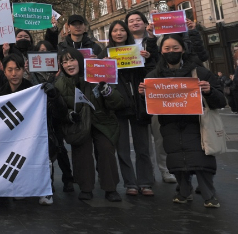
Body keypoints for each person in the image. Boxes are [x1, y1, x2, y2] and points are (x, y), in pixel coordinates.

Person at [138, 34, 226, 208]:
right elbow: (147, 109)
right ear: (161, 52)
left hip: (197, 125)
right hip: (170, 126)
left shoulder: (200, 72)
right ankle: (184, 191)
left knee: (202, 160)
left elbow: (221, 100)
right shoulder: (153, 76)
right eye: (167, 49)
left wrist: (209, 91)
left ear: (183, 50)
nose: (171, 52)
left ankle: (209, 194)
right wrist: (143, 95)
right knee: (176, 160)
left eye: (175, 48)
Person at [55, 48, 124, 202]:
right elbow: (60, 108)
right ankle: (85, 188)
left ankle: (110, 188)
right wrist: (69, 115)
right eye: (64, 62)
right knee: (82, 152)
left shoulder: (97, 74)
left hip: (102, 121)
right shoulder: (60, 83)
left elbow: (118, 101)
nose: (68, 64)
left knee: (106, 150)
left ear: (79, 61)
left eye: (71, 60)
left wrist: (106, 90)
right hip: (79, 124)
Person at [0, 54, 66, 205]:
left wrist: (53, 96)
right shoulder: (0, 94)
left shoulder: (35, 90)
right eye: (10, 70)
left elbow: (58, 112)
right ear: (4, 71)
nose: (14, 73)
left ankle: (45, 190)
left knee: (42, 159)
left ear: (24, 70)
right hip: (12, 138)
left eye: (17, 69)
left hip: (36, 135)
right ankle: (21, 187)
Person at [99, 20, 154, 197]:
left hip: (138, 104)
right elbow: (99, 81)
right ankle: (130, 182)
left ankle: (145, 182)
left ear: (127, 33)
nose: (119, 33)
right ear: (111, 35)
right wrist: (105, 65)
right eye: (115, 31)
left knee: (143, 148)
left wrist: (147, 60)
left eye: (122, 30)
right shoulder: (104, 54)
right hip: (118, 106)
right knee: (122, 149)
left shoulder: (137, 52)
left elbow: (150, 76)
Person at [125, 11, 175, 184]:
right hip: (135, 94)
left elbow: (165, 61)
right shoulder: (124, 44)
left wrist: (151, 54)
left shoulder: (157, 40)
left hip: (154, 92)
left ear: (145, 23)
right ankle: (149, 172)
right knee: (143, 140)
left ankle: (165, 169)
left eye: (138, 19)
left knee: (159, 135)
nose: (135, 23)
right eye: (131, 21)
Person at [27, 40, 74, 193]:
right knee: (46, 151)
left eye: (46, 51)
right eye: (39, 51)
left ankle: (68, 179)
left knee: (60, 148)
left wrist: (55, 76)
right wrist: (30, 73)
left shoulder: (57, 71)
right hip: (40, 117)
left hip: (55, 114)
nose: (42, 54)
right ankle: (49, 182)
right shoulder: (32, 73)